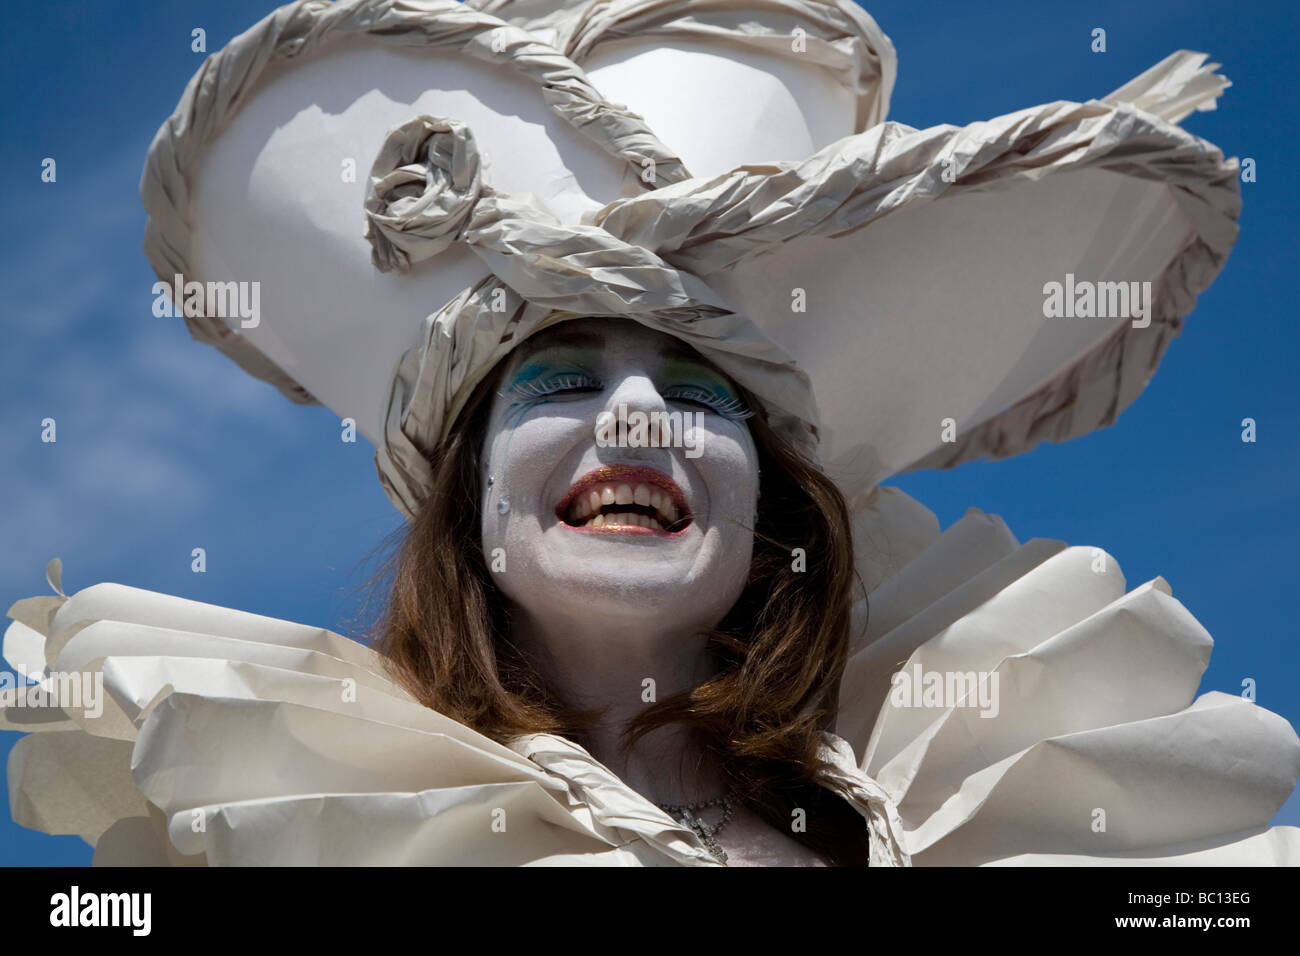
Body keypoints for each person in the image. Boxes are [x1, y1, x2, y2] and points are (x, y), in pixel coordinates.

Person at [3, 0, 1297, 866]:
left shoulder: (985, 807)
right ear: (471, 496)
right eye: (559, 381)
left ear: (767, 498)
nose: (636, 417)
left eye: (698, 391)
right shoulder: (280, 820)